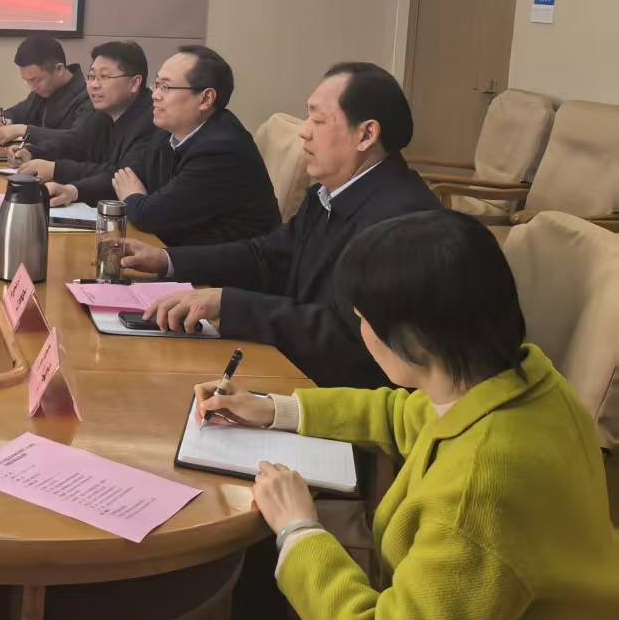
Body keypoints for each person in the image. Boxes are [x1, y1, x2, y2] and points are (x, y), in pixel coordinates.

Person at [195, 210, 619, 620]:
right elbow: (398, 413)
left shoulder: (479, 494)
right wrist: (273, 409)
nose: (361, 332)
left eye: (363, 319)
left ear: (415, 342)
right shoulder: (519, 381)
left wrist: (299, 528)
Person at [128, 62, 441, 386]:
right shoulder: (330, 194)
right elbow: (267, 256)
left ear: (366, 134)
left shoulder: (403, 223)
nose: (304, 131)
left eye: (318, 120)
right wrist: (166, 260)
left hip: (342, 393)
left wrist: (227, 304)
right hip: (296, 366)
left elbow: (349, 337)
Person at [102, 45, 279, 245]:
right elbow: (126, 175)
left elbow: (151, 216)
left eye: (166, 87)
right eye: (156, 84)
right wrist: (76, 190)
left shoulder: (222, 150)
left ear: (206, 99)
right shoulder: (169, 133)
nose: (155, 95)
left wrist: (132, 196)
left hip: (227, 262)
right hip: (181, 250)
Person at [14, 41, 156, 205]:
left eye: (104, 77)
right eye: (91, 76)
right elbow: (76, 142)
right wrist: (33, 152)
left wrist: (59, 173)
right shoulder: (103, 111)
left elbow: (122, 176)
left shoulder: (151, 121)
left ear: (134, 83)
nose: (94, 85)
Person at [0, 35, 92, 146]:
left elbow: (75, 139)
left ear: (59, 69)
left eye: (36, 80)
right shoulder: (41, 92)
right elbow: (17, 112)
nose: (33, 87)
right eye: (27, 81)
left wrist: (23, 130)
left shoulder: (88, 97)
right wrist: (6, 119)